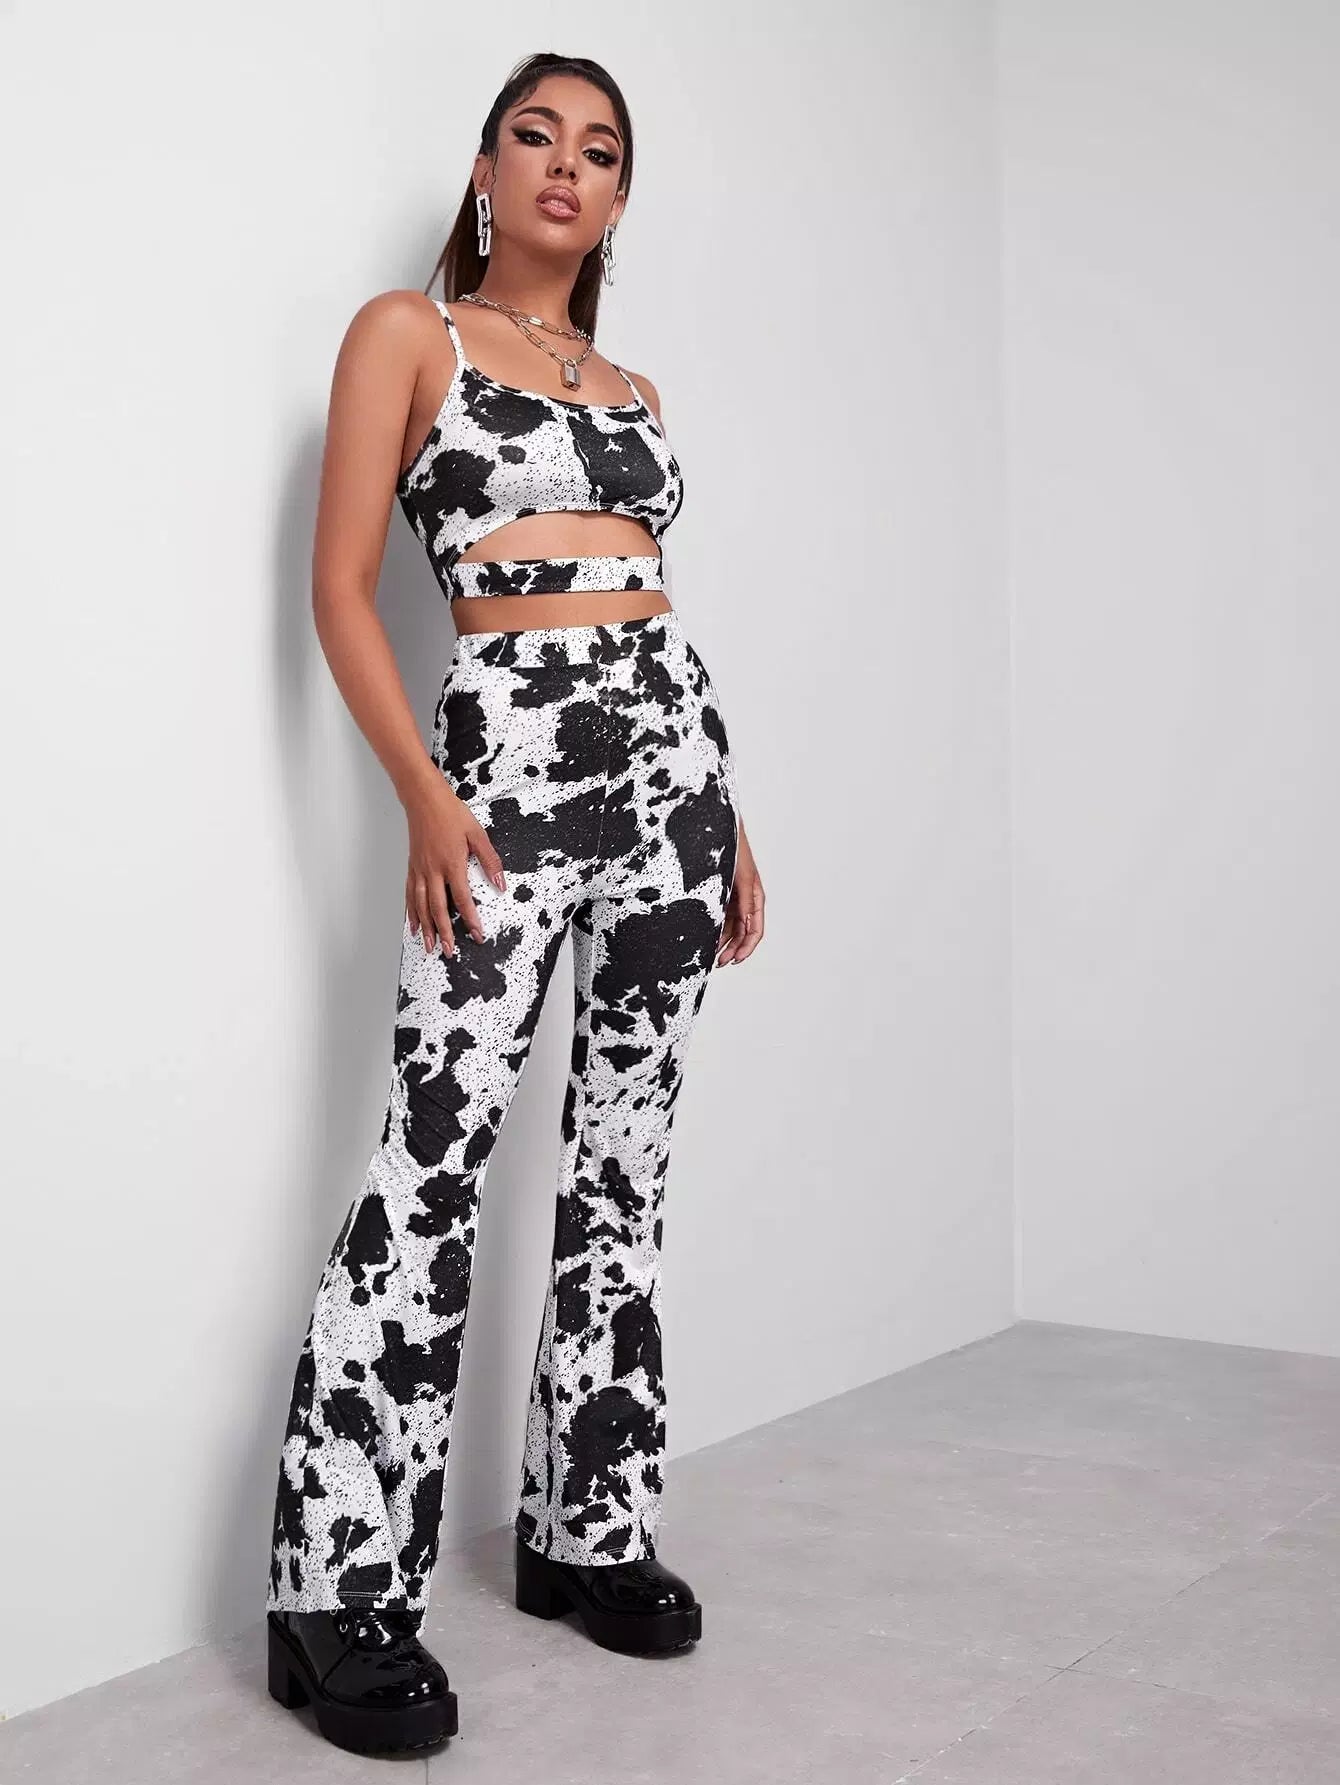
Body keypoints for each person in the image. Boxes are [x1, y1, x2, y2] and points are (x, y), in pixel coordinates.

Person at [263, 50, 765, 1756]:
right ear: (486, 170)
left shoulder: (631, 384)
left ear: (618, 198)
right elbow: (342, 590)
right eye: (536, 135)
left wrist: (726, 810)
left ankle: (587, 1523)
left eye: (599, 149)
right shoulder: (409, 335)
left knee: (627, 1155)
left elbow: (652, 605)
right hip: (501, 776)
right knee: (436, 1156)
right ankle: (335, 1591)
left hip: (671, 778)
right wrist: (425, 790)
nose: (566, 164)